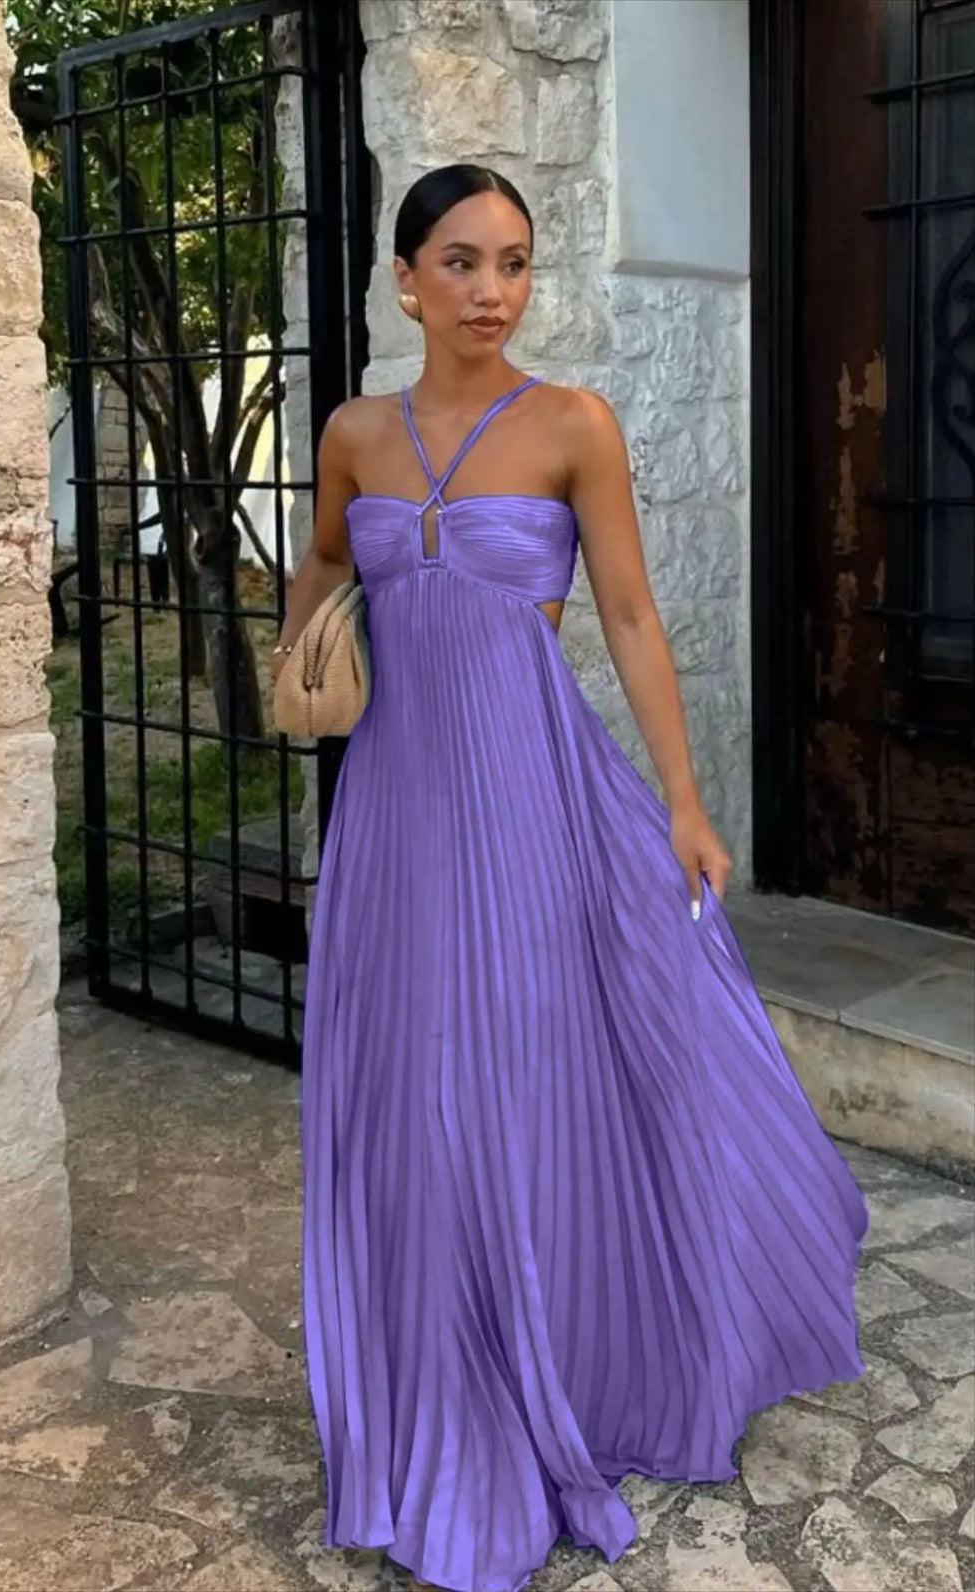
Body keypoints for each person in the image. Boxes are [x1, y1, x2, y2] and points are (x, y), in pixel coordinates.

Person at [273, 164, 868, 1592]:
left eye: (517, 263)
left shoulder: (570, 425)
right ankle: (433, 1375)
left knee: (527, 1073)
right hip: (395, 815)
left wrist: (682, 798)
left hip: (536, 795)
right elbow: (312, 575)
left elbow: (629, 615)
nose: (493, 291)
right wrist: (305, 660)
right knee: (405, 1090)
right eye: (462, 262)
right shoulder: (352, 432)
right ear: (404, 278)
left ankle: (565, 1351)